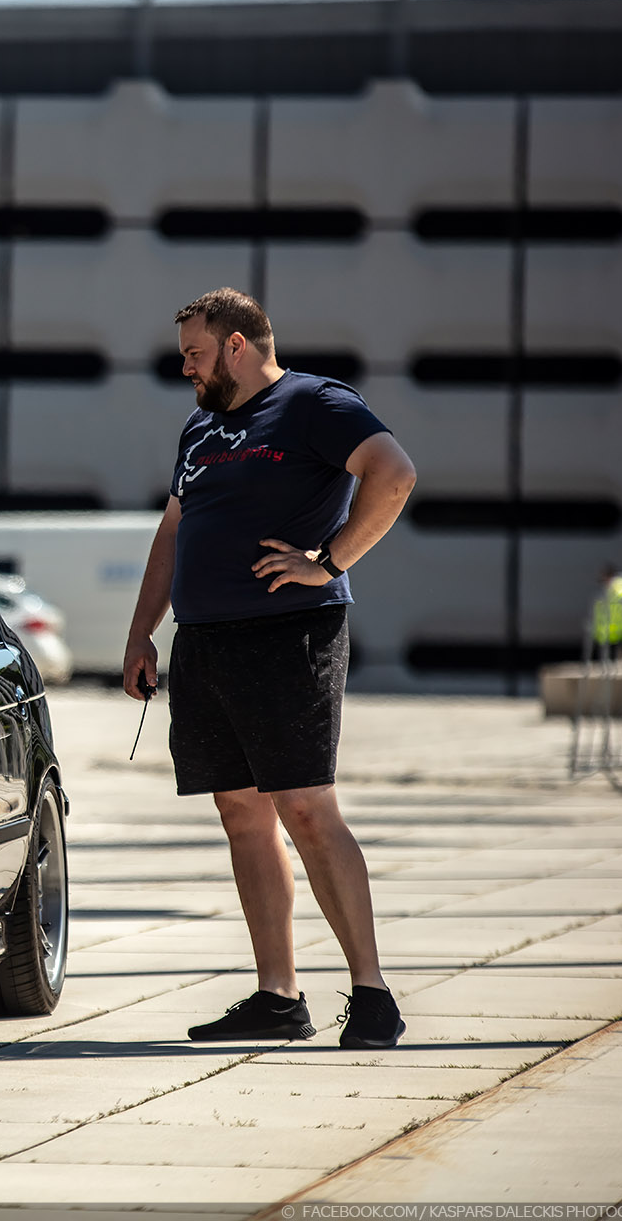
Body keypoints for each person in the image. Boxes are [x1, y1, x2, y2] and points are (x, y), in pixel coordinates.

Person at [122, 288, 419, 1049]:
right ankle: (278, 996)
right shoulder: (201, 428)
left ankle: (373, 993)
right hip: (207, 642)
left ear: (236, 346)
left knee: (307, 808)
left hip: (290, 635)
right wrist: (141, 632)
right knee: (240, 812)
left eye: (194, 352)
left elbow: (393, 473)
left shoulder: (314, 402)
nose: (185, 367)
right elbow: (175, 528)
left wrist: (330, 561)